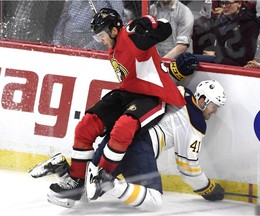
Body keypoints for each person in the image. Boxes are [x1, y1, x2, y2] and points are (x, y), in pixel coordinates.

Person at [30, 7, 198, 205]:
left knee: (123, 128)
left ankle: (101, 176)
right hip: (127, 93)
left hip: (152, 95)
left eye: (102, 34)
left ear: (114, 30)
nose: (100, 39)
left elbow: (164, 29)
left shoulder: (132, 36)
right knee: (86, 125)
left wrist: (149, 23)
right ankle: (76, 181)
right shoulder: (114, 42)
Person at [30, 80, 226, 210]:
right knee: (154, 201)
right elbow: (188, 168)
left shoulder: (181, 91)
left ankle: (63, 168)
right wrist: (207, 189)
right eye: (213, 105)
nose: (214, 111)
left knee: (85, 192)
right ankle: (108, 182)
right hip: (139, 147)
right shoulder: (196, 124)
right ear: (202, 100)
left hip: (119, 134)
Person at [201, 0, 260, 66]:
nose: (224, 6)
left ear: (239, 3)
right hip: (221, 60)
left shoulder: (250, 24)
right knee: (193, 59)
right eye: (222, 3)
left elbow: (246, 56)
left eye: (228, 3)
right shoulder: (221, 22)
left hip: (237, 66)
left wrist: (216, 53)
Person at [52, 0, 125, 50]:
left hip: (90, 55)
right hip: (64, 50)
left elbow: (115, 30)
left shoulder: (111, 2)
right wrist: (57, 42)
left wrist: (86, 50)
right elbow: (62, 20)